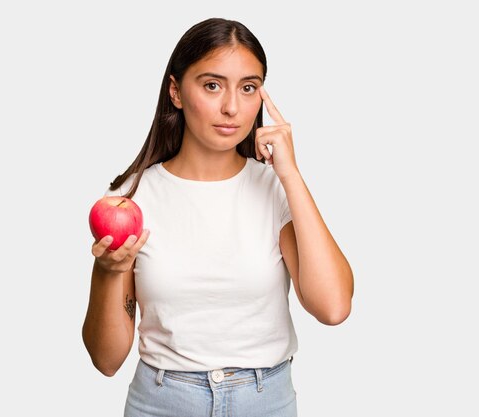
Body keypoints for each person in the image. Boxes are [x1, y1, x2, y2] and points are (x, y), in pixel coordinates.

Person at [82, 17, 354, 417]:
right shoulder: (132, 200)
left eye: (248, 88)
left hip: (266, 401)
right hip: (162, 402)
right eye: (212, 85)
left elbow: (333, 308)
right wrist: (107, 271)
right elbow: (106, 360)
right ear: (175, 91)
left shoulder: (277, 189)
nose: (231, 107)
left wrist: (290, 174)